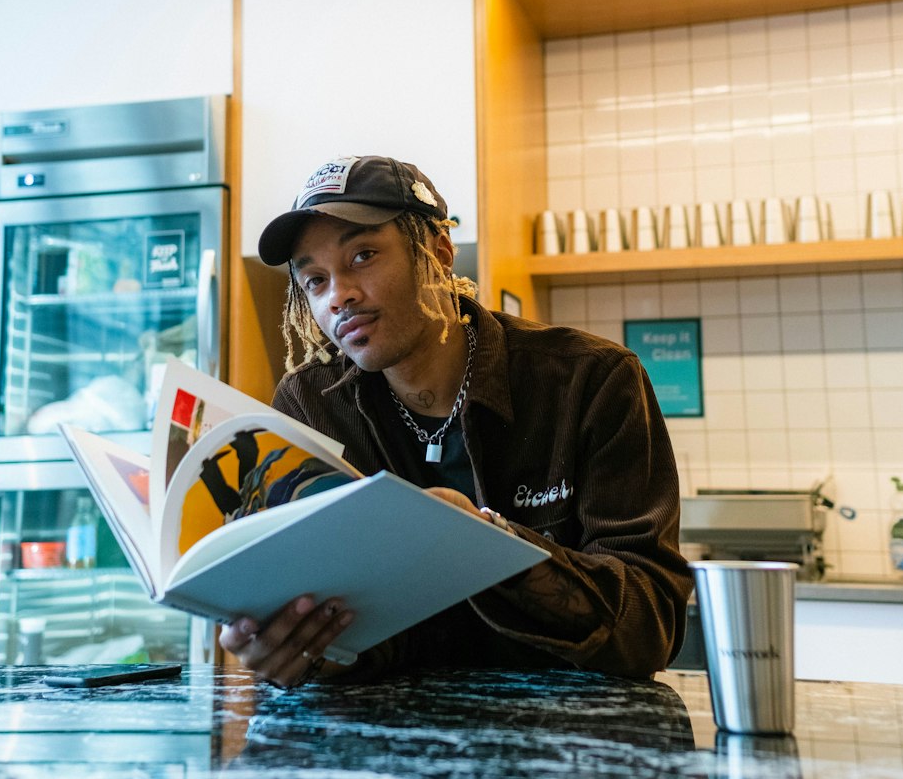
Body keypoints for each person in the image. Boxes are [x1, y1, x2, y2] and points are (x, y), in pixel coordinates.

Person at [220, 155, 692, 687]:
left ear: (439, 253)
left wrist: (487, 543)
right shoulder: (311, 404)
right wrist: (306, 650)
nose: (339, 296)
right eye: (314, 280)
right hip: (386, 747)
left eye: (364, 255)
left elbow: (651, 622)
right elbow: (348, 619)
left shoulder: (591, 381)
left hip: (571, 742)